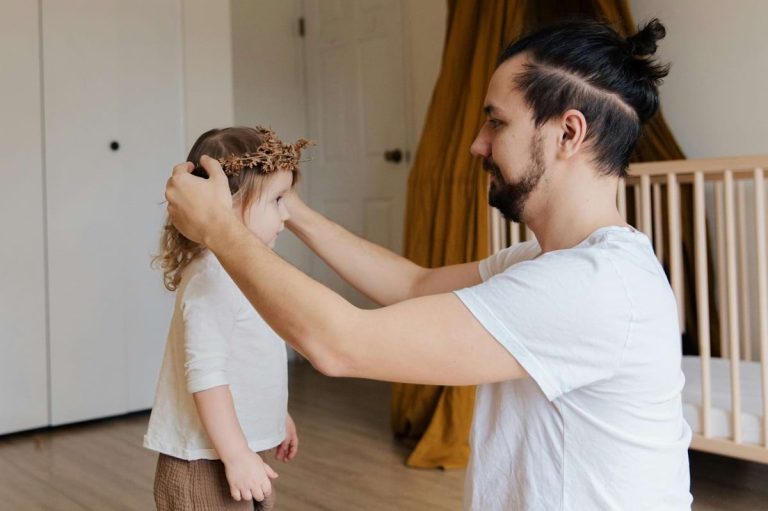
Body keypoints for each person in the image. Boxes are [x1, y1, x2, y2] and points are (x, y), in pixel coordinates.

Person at [165, 19, 692, 511]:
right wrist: (288, 209)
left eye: (496, 121)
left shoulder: (588, 288)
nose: (476, 144)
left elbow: (340, 344)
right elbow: (413, 283)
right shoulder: (546, 262)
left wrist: (221, 230)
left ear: (568, 134)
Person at [145, 126, 306, 510]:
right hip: (204, 461)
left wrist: (274, 413)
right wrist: (236, 456)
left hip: (238, 449)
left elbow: (250, 357)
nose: (286, 215)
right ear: (226, 206)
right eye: (277, 200)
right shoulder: (211, 278)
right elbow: (207, 374)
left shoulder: (245, 271)